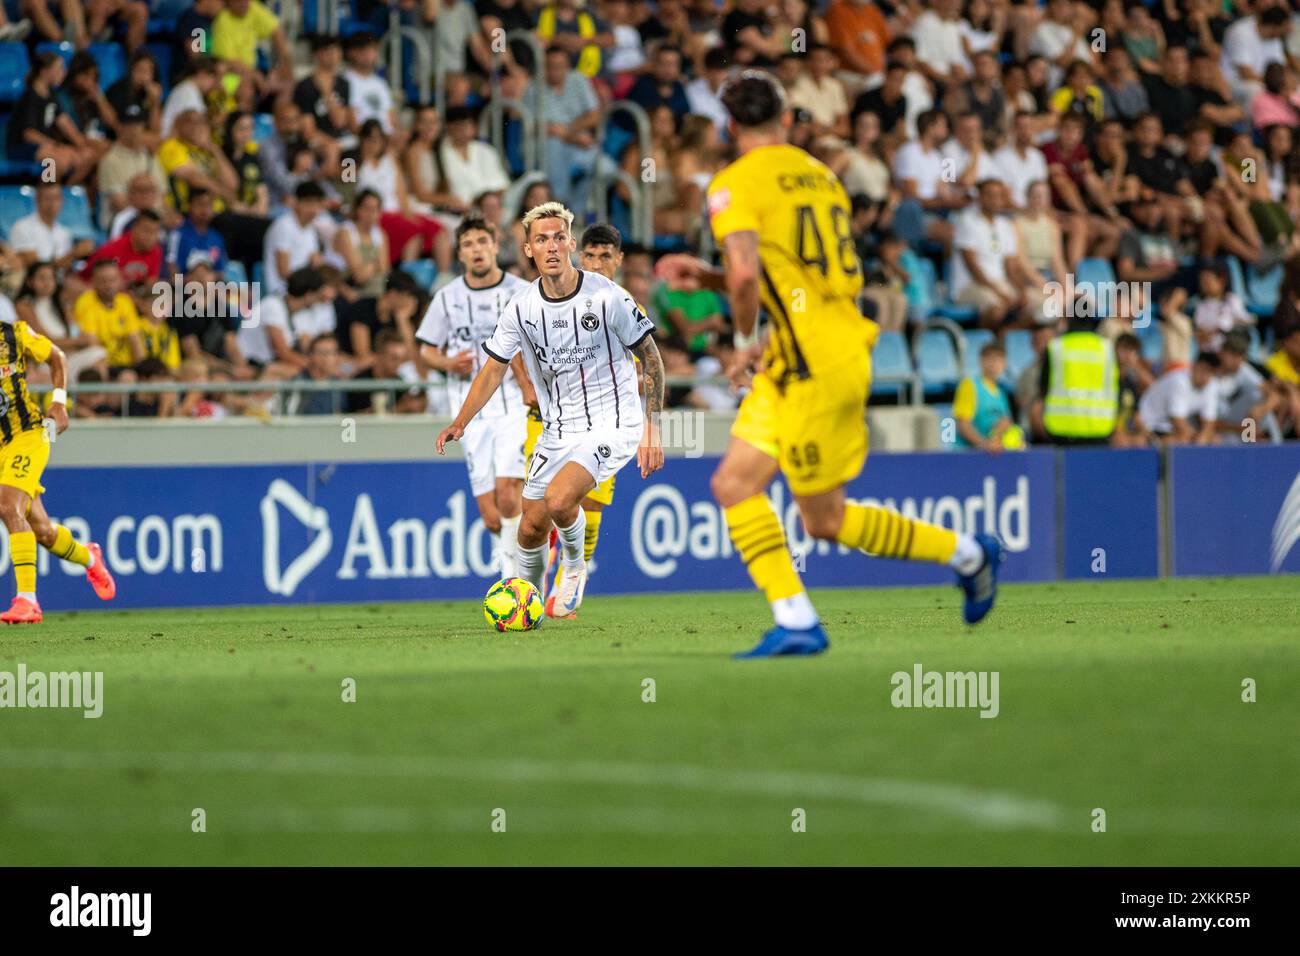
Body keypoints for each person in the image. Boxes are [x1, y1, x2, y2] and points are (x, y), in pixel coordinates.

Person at [656, 71, 1003, 658]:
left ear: (731, 126)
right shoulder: (820, 176)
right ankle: (796, 619)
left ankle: (967, 552)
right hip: (814, 350)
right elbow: (792, 277)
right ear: (787, 119)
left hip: (814, 363)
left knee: (825, 520)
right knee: (733, 484)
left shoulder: (734, 182)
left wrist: (741, 338)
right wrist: (712, 278)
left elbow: (746, 274)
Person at [435, 201, 665, 619]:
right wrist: (460, 421)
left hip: (614, 423)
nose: (552, 246)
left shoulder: (608, 297)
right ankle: (528, 602)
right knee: (529, 527)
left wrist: (652, 427)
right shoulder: (522, 308)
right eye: (542, 239)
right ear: (528, 250)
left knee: (561, 501)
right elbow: (492, 368)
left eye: (559, 237)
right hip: (558, 427)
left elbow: (651, 359)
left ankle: (576, 566)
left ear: (571, 243)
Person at [417, 217, 532, 577]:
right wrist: (447, 362)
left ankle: (514, 581)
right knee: (490, 513)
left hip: (513, 405)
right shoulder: (447, 298)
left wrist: (531, 385)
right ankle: (521, 563)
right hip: (468, 412)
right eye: (468, 244)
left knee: (510, 492)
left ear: (496, 245)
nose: (477, 249)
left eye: (483, 241)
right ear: (460, 253)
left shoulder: (522, 291)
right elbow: (426, 351)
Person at [0, 294, 117, 623]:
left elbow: (57, 357)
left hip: (29, 434)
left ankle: (27, 600)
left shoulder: (13, 335)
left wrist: (59, 402)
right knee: (43, 531)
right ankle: (90, 559)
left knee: (7, 505)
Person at [1035, 317, 1120, 444]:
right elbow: (1114, 383)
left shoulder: (1056, 346)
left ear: (1068, 319)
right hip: (1101, 428)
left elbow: (1043, 387)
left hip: (1061, 429)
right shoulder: (1107, 348)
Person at [953, 342, 1017, 452]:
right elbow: (963, 425)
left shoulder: (1000, 393)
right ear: (981, 361)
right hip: (968, 454)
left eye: (999, 359)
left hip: (992, 453)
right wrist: (984, 444)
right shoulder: (969, 386)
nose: (994, 363)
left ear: (1005, 363)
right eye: (989, 358)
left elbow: (1004, 425)